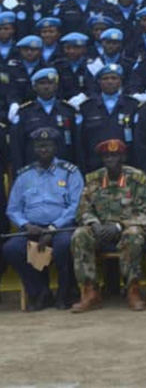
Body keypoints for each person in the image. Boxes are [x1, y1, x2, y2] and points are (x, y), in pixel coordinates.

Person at [70, 139, 146, 312]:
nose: (110, 159)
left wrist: (119, 226)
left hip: (128, 228)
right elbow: (83, 210)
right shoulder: (94, 179)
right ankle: (90, 291)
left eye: (115, 155)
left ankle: (132, 290)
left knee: (132, 235)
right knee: (80, 235)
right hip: (100, 229)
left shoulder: (137, 179)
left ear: (123, 157)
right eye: (106, 156)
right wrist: (93, 224)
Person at [3, 127, 84, 311]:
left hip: (62, 228)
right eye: (39, 146)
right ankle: (40, 293)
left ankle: (66, 294)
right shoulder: (25, 175)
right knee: (12, 248)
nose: (43, 150)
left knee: (65, 246)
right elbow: (13, 208)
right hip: (33, 229)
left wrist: (53, 228)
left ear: (55, 147)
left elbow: (76, 206)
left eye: (47, 146)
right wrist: (26, 225)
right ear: (34, 149)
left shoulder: (70, 172)